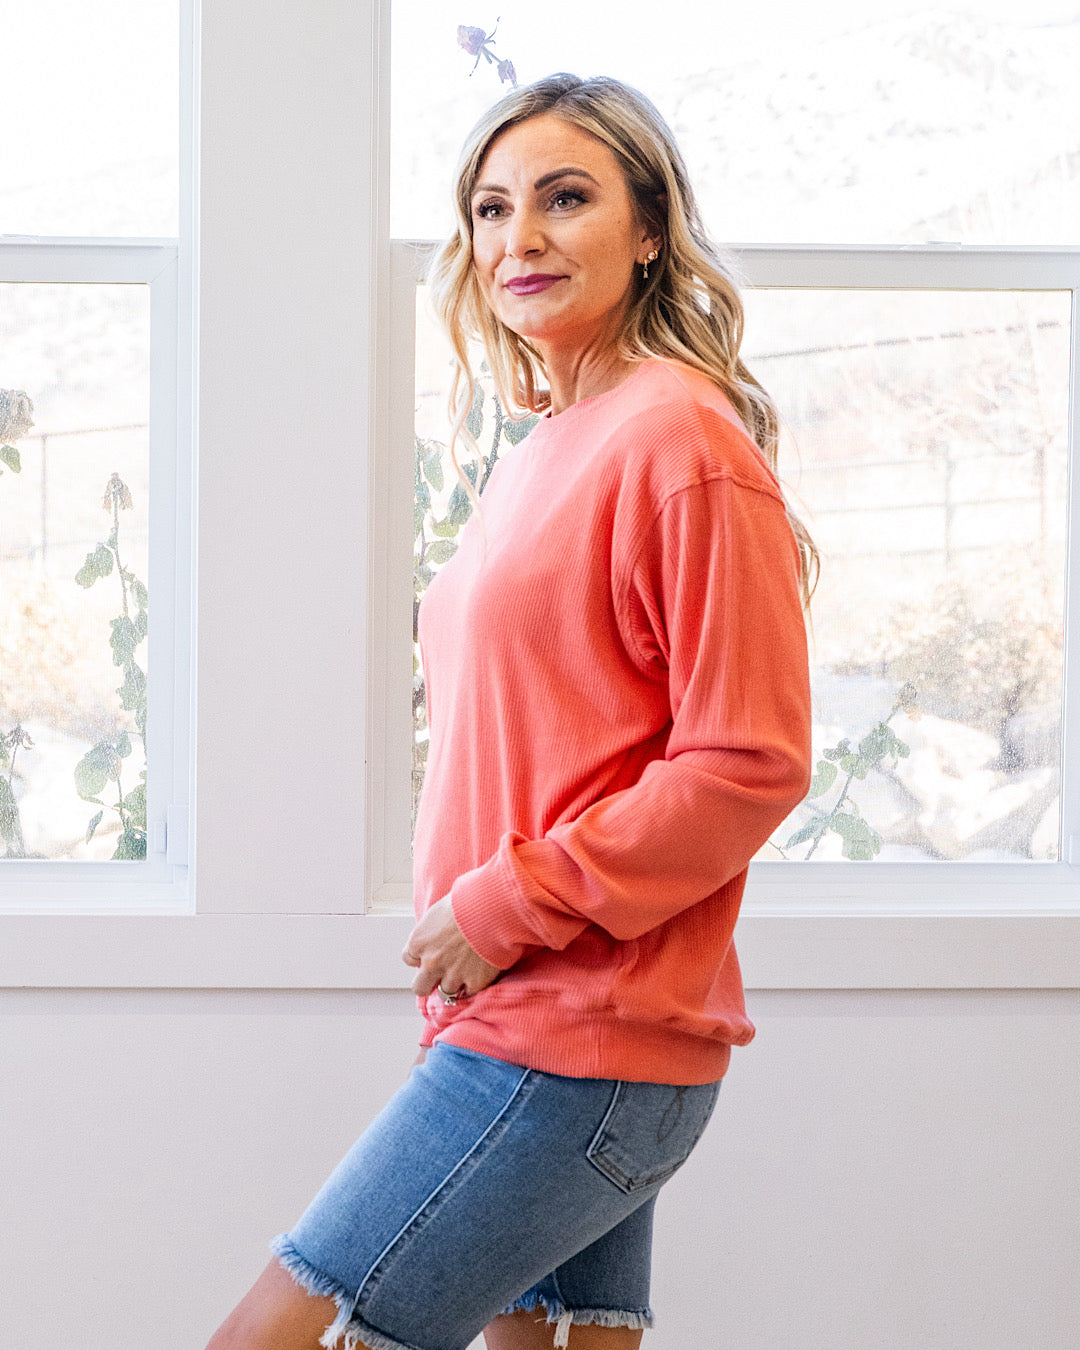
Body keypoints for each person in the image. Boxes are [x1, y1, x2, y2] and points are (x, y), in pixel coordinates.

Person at [207, 72, 814, 1350]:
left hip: (577, 1036)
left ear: (649, 230)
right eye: (490, 208)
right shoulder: (550, 443)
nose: (518, 237)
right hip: (529, 1024)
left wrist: (503, 904)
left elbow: (747, 763)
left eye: (566, 198)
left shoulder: (682, 445)